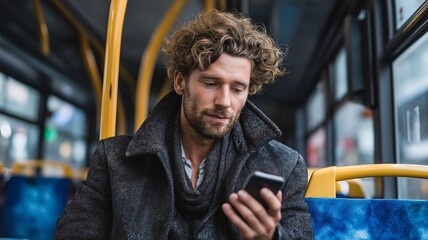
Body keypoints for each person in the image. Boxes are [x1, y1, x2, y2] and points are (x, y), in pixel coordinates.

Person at [54, 10, 313, 240]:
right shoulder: (114, 162)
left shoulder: (284, 166)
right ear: (180, 82)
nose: (224, 102)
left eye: (237, 89)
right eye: (211, 83)